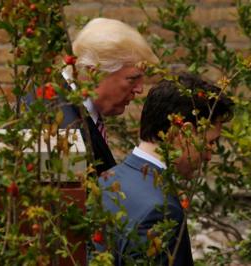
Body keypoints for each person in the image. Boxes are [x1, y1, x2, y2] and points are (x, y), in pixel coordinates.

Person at [98, 73, 234, 265]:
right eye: (209, 142)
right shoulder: (161, 211)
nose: (209, 155)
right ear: (183, 133)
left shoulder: (105, 181)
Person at [27, 18, 159, 175]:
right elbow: (69, 197)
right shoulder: (61, 127)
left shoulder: (62, 103)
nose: (139, 89)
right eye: (132, 79)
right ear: (94, 72)